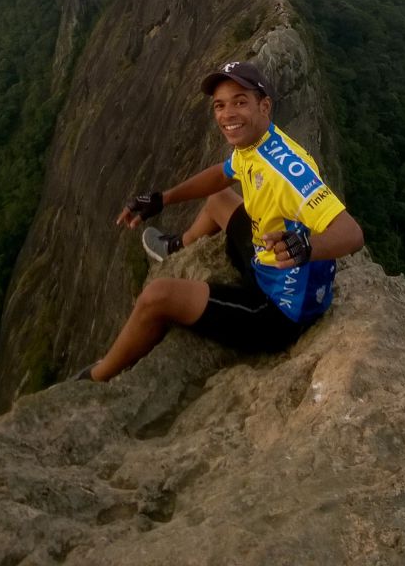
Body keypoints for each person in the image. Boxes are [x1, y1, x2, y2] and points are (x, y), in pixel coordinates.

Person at [76, 61, 363, 381]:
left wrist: (304, 247)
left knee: (157, 296)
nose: (227, 114)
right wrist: (162, 199)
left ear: (264, 106)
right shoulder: (256, 142)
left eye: (240, 102)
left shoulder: (287, 172)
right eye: (220, 105)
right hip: (263, 253)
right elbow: (222, 176)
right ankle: (177, 246)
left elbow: (351, 233)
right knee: (219, 200)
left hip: (279, 307)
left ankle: (96, 377)